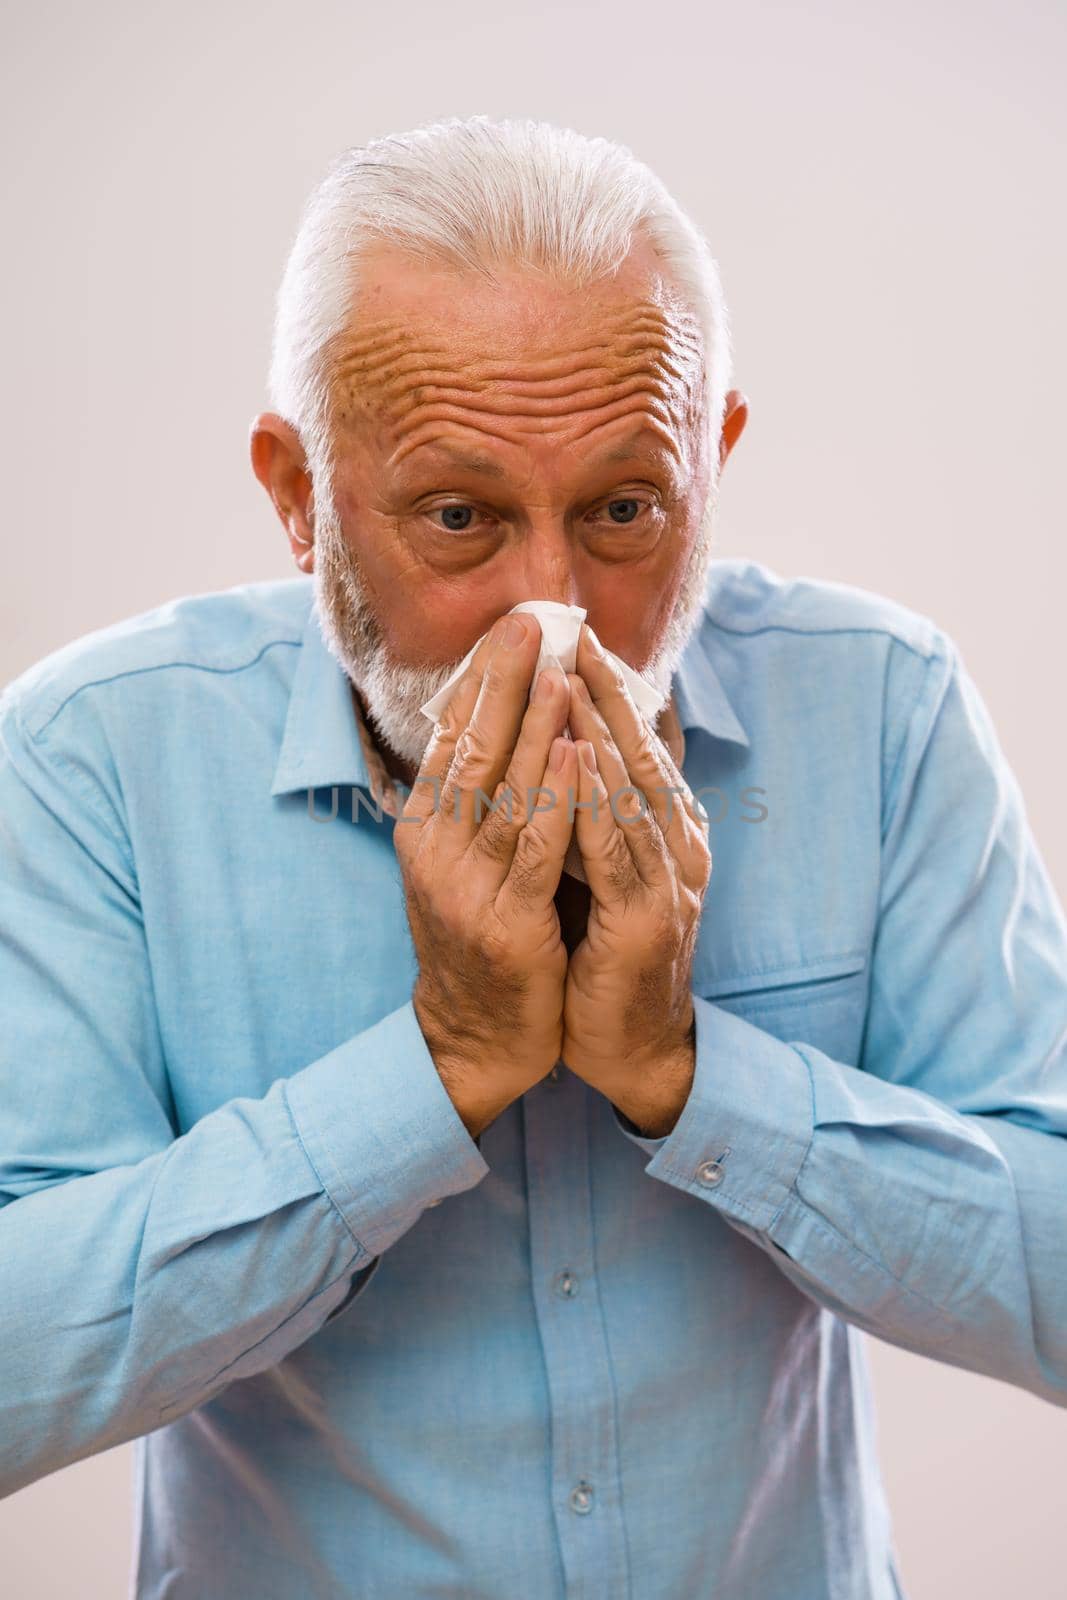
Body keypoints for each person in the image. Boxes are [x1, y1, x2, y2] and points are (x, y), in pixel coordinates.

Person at [1, 115, 1065, 1600]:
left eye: (627, 510)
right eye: (460, 518)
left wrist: (696, 1080)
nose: (553, 616)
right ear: (299, 497)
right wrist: (434, 1068)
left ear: (717, 458)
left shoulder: (883, 705)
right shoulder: (93, 756)